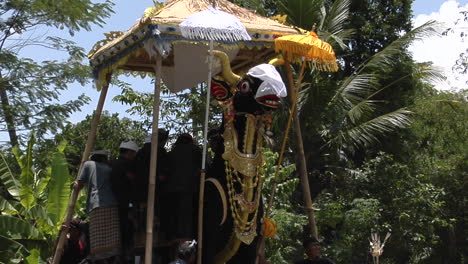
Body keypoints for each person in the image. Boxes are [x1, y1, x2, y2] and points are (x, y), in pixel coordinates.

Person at [74, 150, 121, 263]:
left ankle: (101, 260)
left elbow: (79, 184)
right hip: (112, 204)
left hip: (97, 204)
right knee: (111, 239)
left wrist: (75, 185)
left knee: (98, 240)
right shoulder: (109, 168)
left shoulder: (88, 164)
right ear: (104, 158)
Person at [160, 133, 202, 243]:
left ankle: (173, 239)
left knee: (173, 215)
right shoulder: (195, 151)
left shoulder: (171, 154)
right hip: (188, 189)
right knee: (186, 216)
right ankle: (186, 239)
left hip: (171, 190)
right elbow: (201, 169)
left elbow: (164, 174)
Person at [110, 141, 139, 263]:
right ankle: (126, 257)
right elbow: (131, 179)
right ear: (129, 152)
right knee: (127, 231)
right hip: (125, 203)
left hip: (113, 202)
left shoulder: (112, 163)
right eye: (133, 154)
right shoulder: (126, 164)